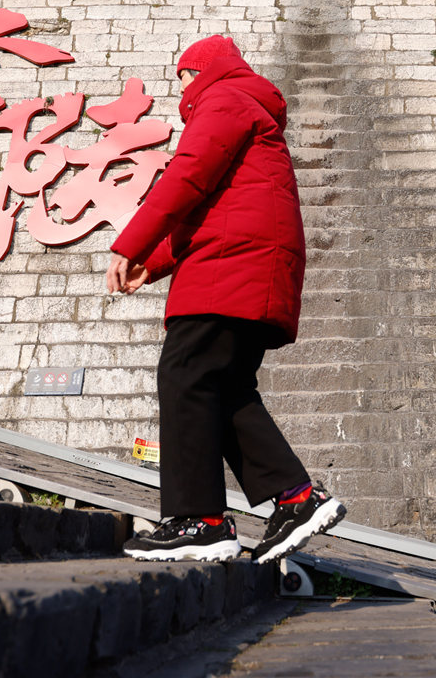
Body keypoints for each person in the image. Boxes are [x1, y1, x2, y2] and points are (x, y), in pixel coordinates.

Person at [106, 35, 345, 564]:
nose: (180, 90)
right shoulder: (244, 107)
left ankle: (199, 520)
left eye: (184, 76)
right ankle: (296, 498)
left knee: (186, 373)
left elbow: (186, 178)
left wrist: (131, 244)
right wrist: (158, 261)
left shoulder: (224, 100)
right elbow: (213, 204)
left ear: (206, 69)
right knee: (222, 387)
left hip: (229, 268)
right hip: (246, 263)